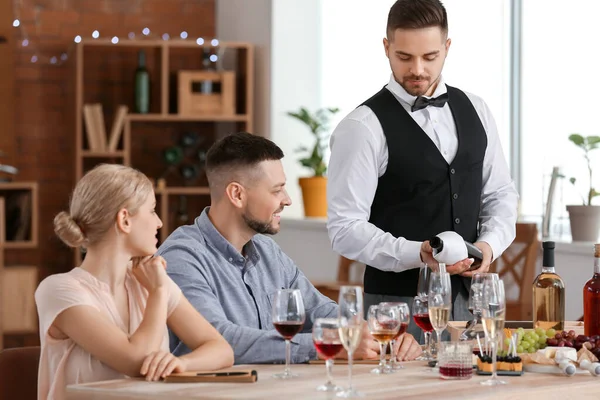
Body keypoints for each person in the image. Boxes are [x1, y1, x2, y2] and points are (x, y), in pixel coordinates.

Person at [326, 0, 518, 340]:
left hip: (472, 304)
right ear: (386, 48)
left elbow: (500, 193)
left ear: (447, 47)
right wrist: (417, 253)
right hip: (397, 309)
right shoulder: (362, 127)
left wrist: (488, 246)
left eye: (429, 57)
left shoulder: (477, 109)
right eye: (404, 57)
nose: (417, 69)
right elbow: (344, 228)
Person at [158, 132, 422, 364]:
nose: (287, 200)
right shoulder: (182, 258)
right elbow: (218, 338)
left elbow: (321, 311)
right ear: (237, 194)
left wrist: (375, 335)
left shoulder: (267, 251)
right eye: (277, 190)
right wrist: (324, 345)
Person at [35, 164, 233, 400]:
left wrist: (180, 364)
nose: (159, 222)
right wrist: (159, 292)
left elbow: (221, 349)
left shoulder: (149, 280)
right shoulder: (59, 290)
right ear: (125, 220)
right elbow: (136, 362)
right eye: (152, 210)